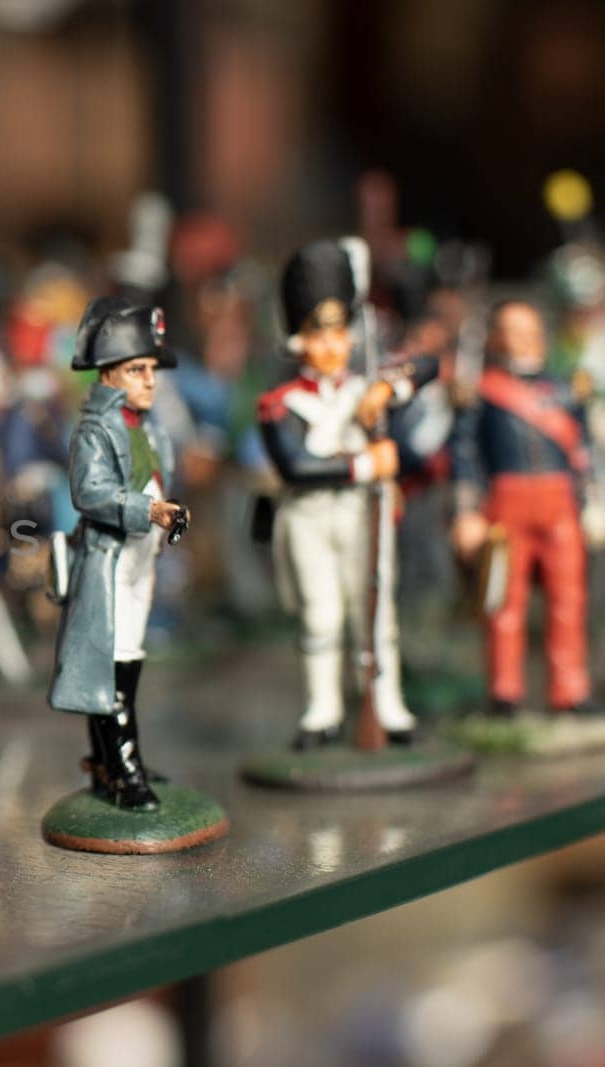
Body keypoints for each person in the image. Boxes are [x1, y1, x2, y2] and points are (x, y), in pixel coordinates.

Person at [257, 240, 437, 749]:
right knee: (322, 614)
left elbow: (429, 367)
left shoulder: (368, 386)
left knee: (375, 613)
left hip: (363, 516)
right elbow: (297, 468)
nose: (333, 345)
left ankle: (387, 706)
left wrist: (388, 390)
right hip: (310, 519)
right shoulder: (280, 403)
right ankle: (323, 710)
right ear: (299, 340)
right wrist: (366, 464)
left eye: (339, 332)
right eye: (320, 333)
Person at [47, 296, 186, 809]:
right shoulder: (94, 428)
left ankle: (116, 760)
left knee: (129, 660)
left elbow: (154, 477)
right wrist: (148, 511)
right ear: (107, 376)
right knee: (109, 664)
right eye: (137, 369)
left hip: (138, 561)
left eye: (151, 369)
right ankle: (121, 768)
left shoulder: (145, 425)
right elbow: (91, 493)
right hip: (107, 559)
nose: (150, 380)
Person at [450, 300, 595, 715]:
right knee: (503, 600)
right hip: (506, 504)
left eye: (530, 330)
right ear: (496, 338)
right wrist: (466, 512)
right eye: (513, 331)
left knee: (569, 601)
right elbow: (466, 456)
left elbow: (583, 452)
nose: (524, 340)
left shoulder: (567, 389)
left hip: (560, 502)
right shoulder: (482, 393)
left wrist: (594, 500)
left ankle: (570, 690)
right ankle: (504, 691)